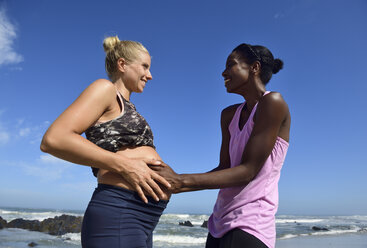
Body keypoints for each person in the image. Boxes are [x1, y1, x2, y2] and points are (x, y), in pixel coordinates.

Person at [150, 43, 290, 248]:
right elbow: (226, 169)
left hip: (251, 225)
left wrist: (181, 181)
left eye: (231, 65)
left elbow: (248, 171)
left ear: (255, 68)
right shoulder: (228, 115)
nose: (223, 72)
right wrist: (173, 182)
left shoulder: (273, 102)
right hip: (218, 224)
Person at [40, 36, 171, 248]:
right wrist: (125, 166)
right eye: (145, 67)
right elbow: (54, 139)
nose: (150, 75)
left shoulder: (128, 106)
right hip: (120, 213)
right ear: (122, 64)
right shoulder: (105, 89)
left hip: (142, 219)